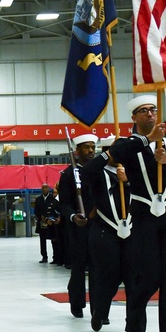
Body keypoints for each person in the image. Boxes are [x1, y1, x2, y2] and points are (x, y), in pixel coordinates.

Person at [111, 95, 166, 332]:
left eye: (153, 110)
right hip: (143, 216)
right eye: (143, 111)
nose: (150, 114)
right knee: (149, 275)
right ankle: (135, 316)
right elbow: (116, 153)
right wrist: (148, 139)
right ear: (135, 118)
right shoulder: (129, 145)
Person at [81, 135, 135, 332]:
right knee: (109, 277)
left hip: (132, 230)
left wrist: (128, 181)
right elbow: (86, 171)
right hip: (106, 230)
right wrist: (109, 153)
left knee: (134, 280)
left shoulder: (133, 171)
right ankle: (100, 312)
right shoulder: (97, 172)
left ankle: (135, 326)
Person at [57, 134, 98, 318]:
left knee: (99, 268)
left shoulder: (100, 170)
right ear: (77, 151)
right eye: (86, 147)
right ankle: (77, 303)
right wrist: (74, 216)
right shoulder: (68, 174)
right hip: (78, 229)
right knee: (79, 269)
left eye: (92, 147)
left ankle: (99, 306)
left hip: (98, 225)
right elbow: (63, 204)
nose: (90, 151)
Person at [33, 183, 60, 263]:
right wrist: (40, 216)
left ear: (48, 188)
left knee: (53, 239)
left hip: (51, 222)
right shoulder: (38, 199)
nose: (44, 189)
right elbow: (36, 210)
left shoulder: (52, 198)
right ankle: (44, 256)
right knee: (42, 240)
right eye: (43, 188)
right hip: (41, 222)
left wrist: (49, 217)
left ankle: (55, 257)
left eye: (46, 188)